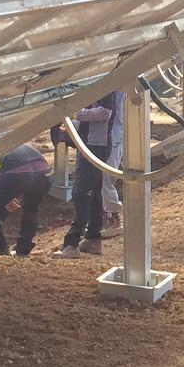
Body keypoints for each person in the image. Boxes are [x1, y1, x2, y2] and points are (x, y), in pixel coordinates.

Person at [55, 91, 119, 258]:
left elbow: (104, 113)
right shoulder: (93, 85)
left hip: (95, 146)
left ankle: (72, 243)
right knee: (94, 193)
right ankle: (93, 238)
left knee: (81, 193)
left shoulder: (105, 86)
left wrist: (76, 114)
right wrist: (74, 124)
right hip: (89, 143)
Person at [0, 142, 51, 256]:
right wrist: (8, 197)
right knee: (32, 209)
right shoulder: (11, 140)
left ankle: (0, 249)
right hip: (44, 170)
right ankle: (23, 250)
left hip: (18, 172)